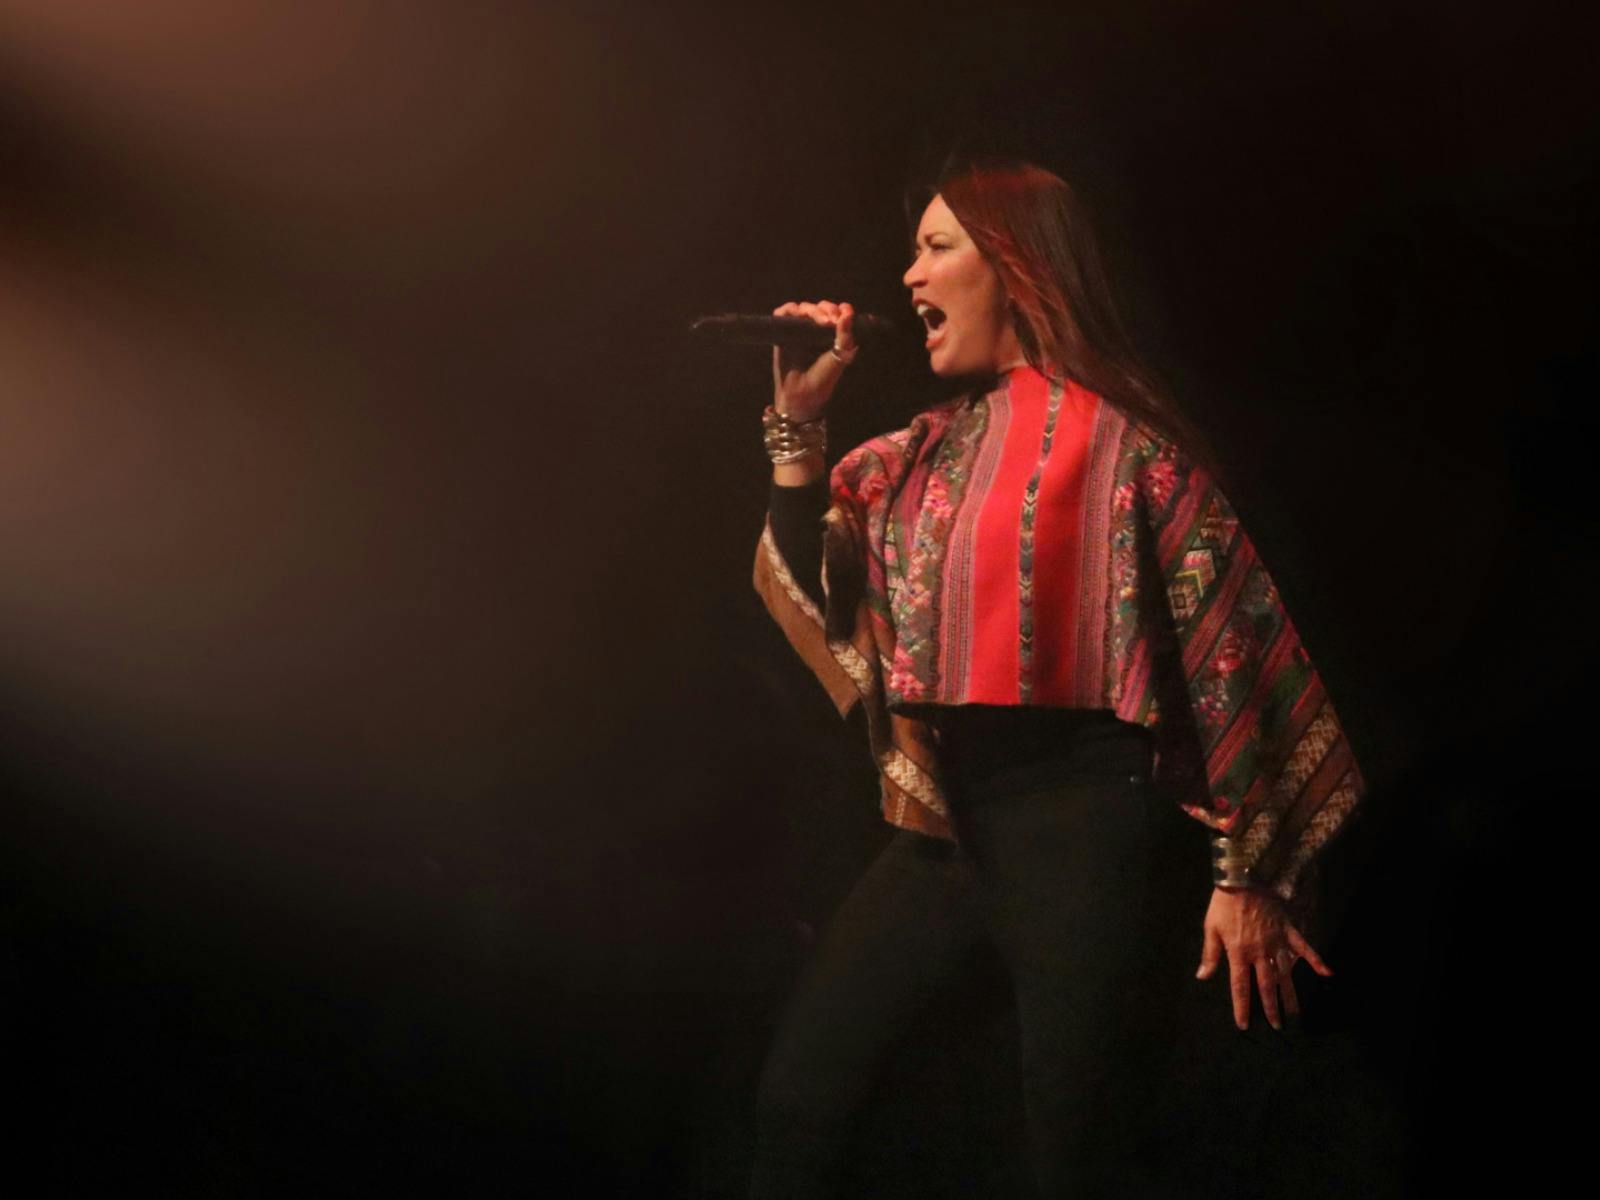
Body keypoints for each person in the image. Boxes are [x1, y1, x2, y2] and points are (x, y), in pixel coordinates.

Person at [747, 158, 1366, 1199]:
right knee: (801, 1105)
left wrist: (1247, 874)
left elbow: (1229, 648)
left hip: (1085, 829)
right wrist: (797, 426)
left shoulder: (1127, 450)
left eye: (936, 247)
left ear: (1016, 264)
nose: (908, 276)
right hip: (945, 829)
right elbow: (820, 582)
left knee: (1079, 1156)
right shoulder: (919, 454)